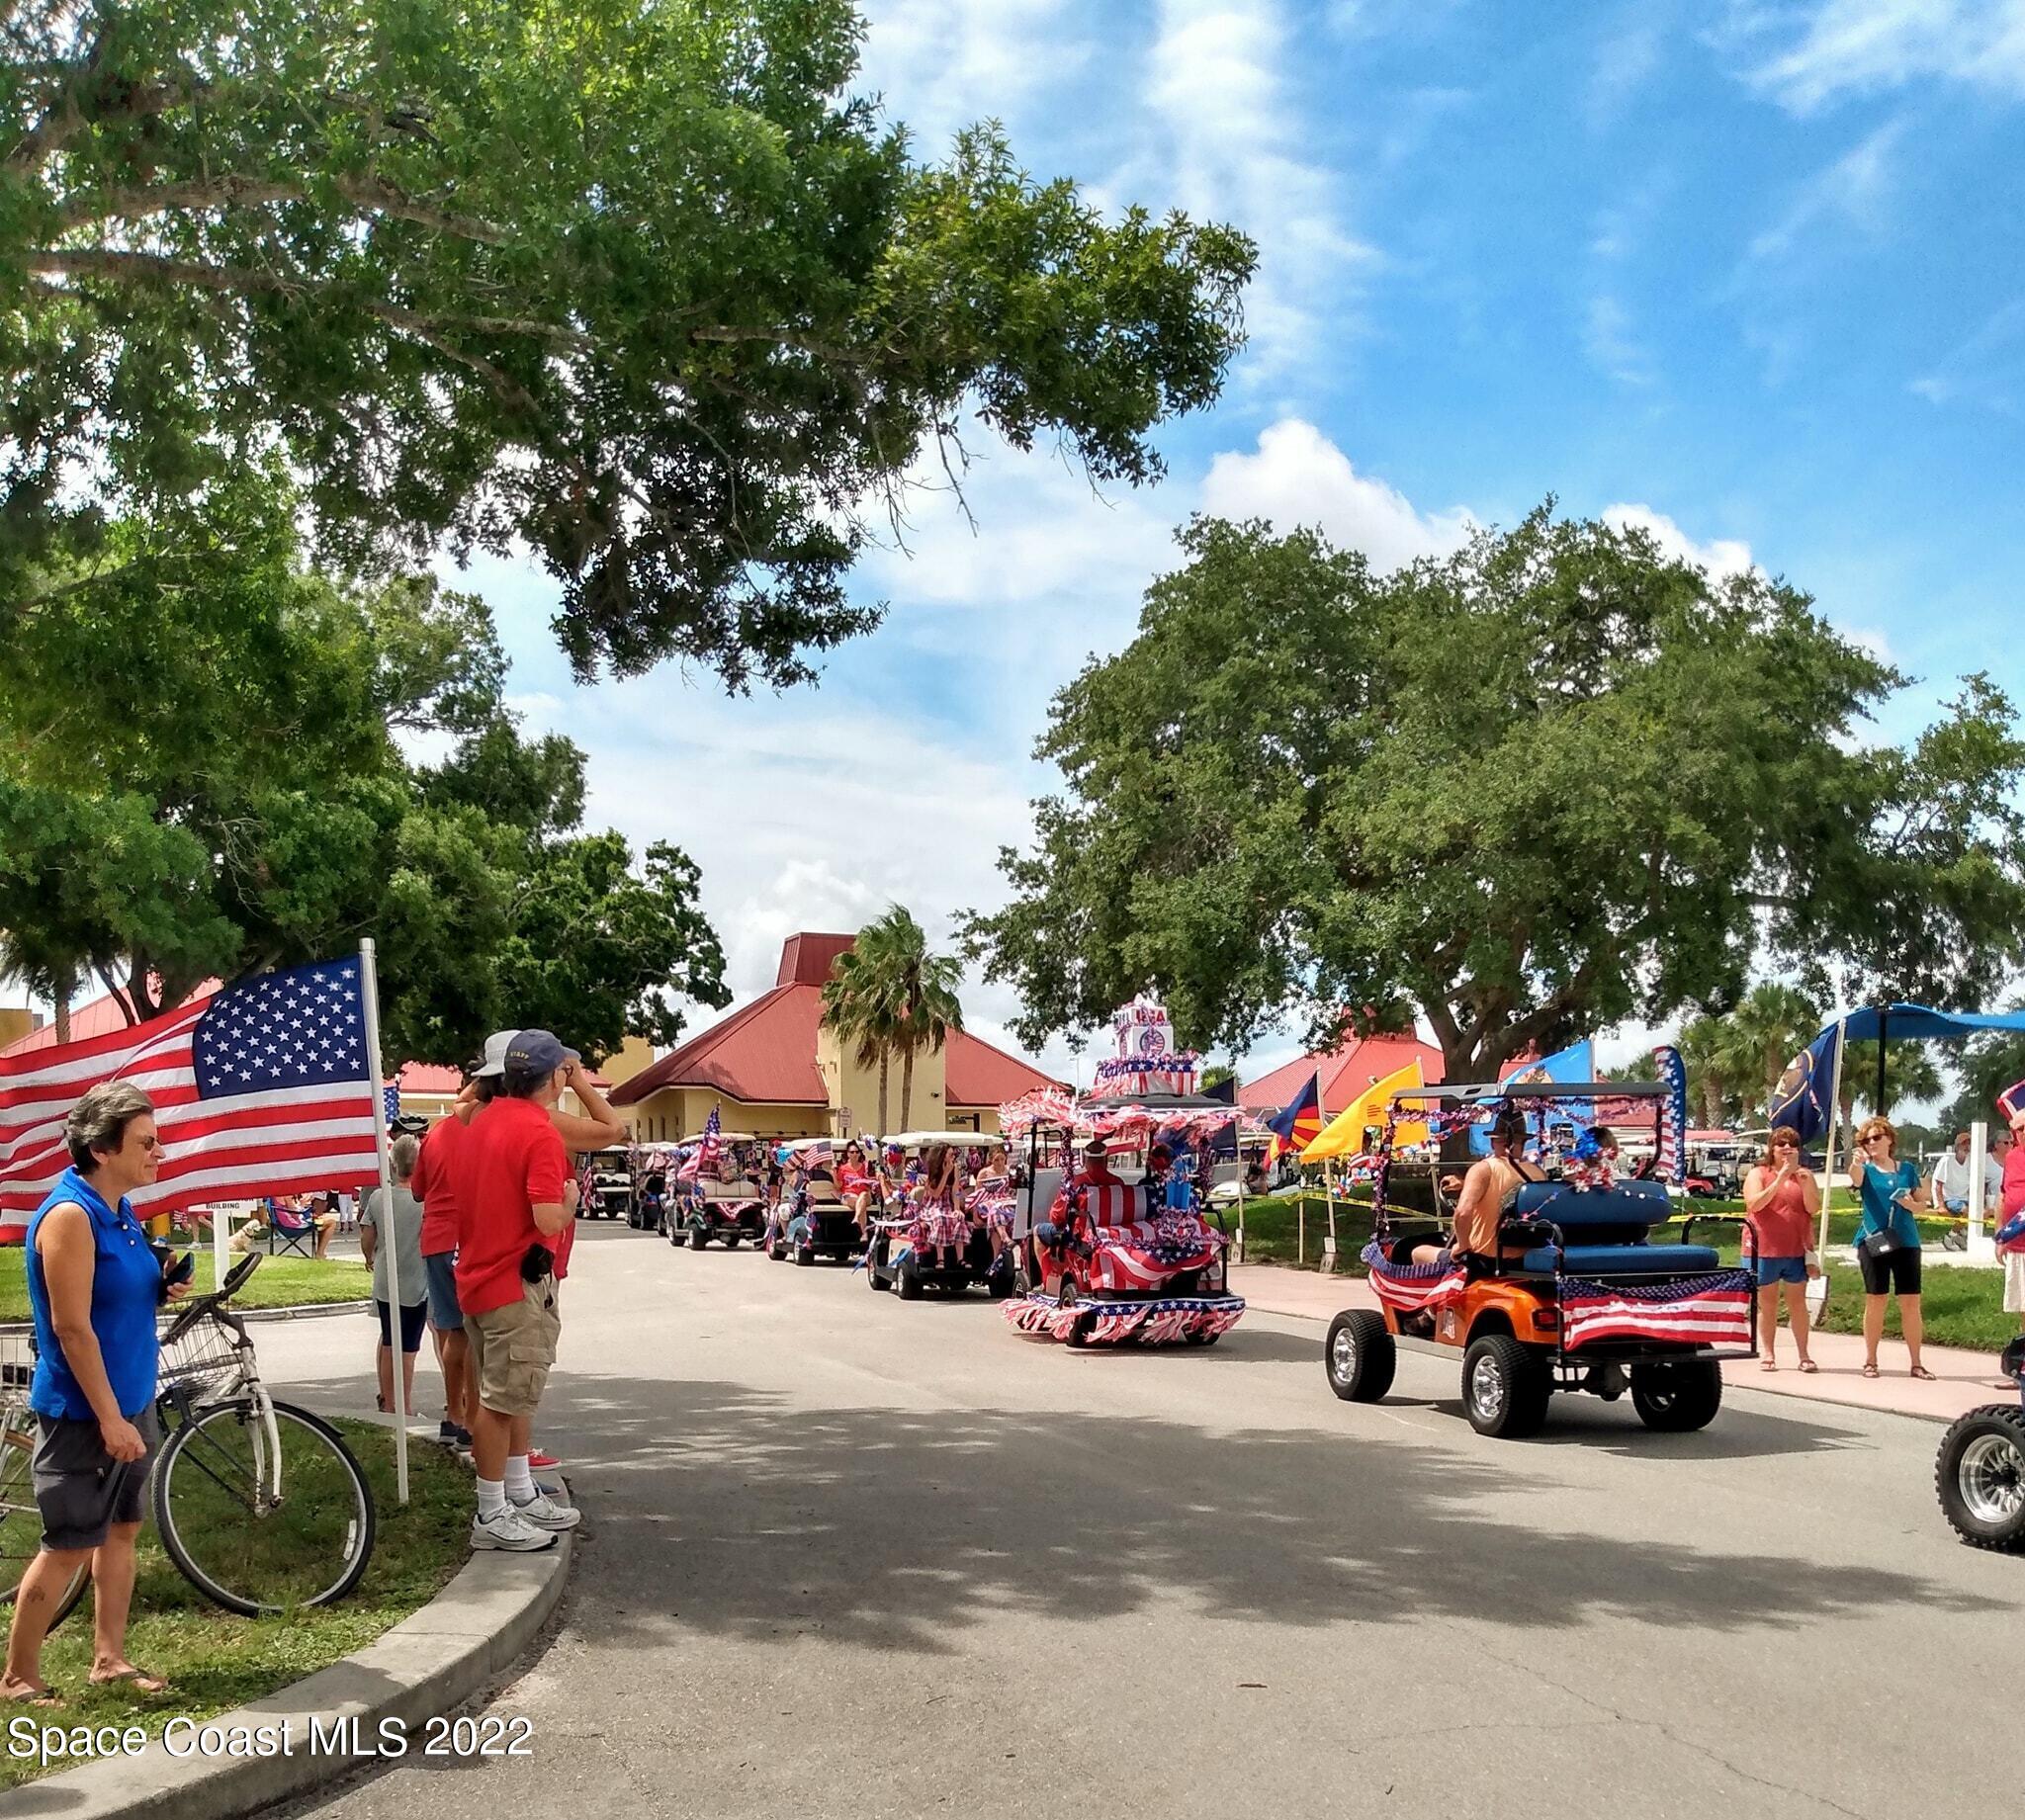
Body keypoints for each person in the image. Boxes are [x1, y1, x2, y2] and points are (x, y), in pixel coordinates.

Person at [2, 1083, 189, 1704]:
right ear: (102, 1150)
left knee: (120, 1533)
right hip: (86, 1413)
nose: (158, 1152)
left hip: (130, 1401)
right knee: (68, 1545)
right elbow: (72, 1328)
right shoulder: (69, 1216)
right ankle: (18, 1677)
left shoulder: (120, 1208)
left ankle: (109, 1658)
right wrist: (110, 1419)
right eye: (146, 1142)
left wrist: (159, 1287)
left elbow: (112, 1295)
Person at [452, 1031, 584, 1550]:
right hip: (516, 1286)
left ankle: (516, 1494)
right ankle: (491, 1513)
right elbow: (546, 1215)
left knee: (497, 1393)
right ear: (555, 1078)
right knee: (502, 1405)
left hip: (479, 1279)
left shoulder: (480, 1122)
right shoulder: (542, 1133)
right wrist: (571, 1200)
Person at [1849, 1115, 1931, 1380]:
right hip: (1873, 1239)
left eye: (1876, 1137)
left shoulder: (1906, 1169)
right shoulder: (1866, 1169)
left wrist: (1911, 1205)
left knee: (1910, 1302)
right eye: (1866, 1139)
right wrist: (1856, 1163)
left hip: (1906, 1240)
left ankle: (1916, 1362)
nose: (1871, 1143)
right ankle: (1870, 1360)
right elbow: (1856, 1179)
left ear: (1889, 1139)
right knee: (1876, 1299)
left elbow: (1923, 1204)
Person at [1412, 1106, 1543, 1266]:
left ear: (1493, 1141)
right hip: (1527, 1257)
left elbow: (1463, 1213)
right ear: (1522, 1142)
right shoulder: (1538, 1173)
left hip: (1486, 1259)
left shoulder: (1483, 1169)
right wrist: (1464, 1184)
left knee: (1418, 1252)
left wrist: (1462, 1245)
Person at [1741, 1126, 1819, 1372]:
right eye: (1782, 1144)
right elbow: (1755, 1203)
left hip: (1796, 1249)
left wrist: (1803, 1182)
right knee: (1768, 1303)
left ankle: (1804, 1354)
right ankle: (1769, 1353)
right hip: (1763, 1249)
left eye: (1792, 1145)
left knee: (1798, 1303)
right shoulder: (1759, 1173)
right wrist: (1781, 1177)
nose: (1787, 1149)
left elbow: (1812, 1208)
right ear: (1772, 1149)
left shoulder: (1804, 1175)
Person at [361, 1133, 428, 1420]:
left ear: (393, 1164)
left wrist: (369, 1257)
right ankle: (405, 1407)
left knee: (389, 1342)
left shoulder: (379, 1197)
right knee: (408, 1350)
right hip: (417, 1281)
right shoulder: (426, 1201)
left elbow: (367, 1235)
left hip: (386, 1280)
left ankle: (389, 1403)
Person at [1998, 1109, 2025, 1343]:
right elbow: (2004, 1196)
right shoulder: (2011, 1157)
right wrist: (2001, 1237)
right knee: (2023, 1307)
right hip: (2016, 1244)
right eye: (2020, 1129)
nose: (2024, 1133)